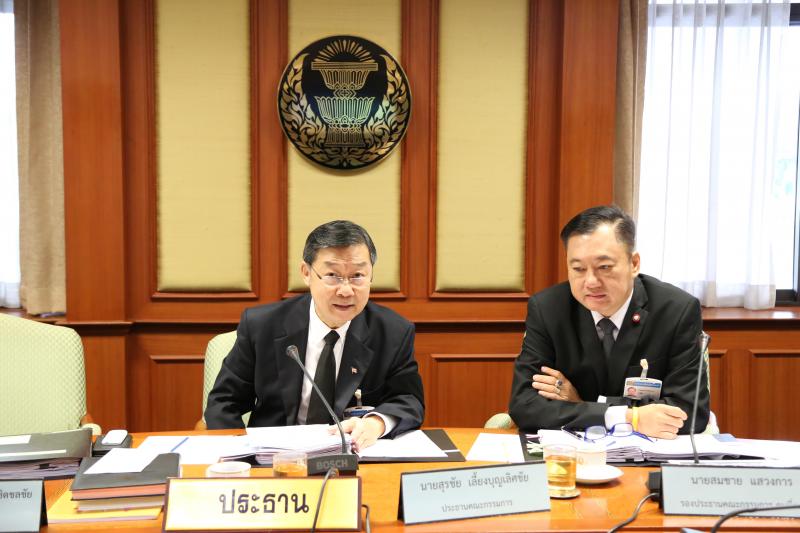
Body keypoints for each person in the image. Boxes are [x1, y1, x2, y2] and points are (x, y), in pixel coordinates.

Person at [204, 220, 425, 450]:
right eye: (332, 275)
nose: (346, 290)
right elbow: (224, 402)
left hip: (354, 457)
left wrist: (376, 423)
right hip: (276, 459)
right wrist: (242, 454)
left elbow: (409, 400)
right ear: (306, 273)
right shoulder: (262, 326)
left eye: (358, 275)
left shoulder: (393, 332)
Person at [508, 205, 709, 439]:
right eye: (578, 269)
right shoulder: (548, 309)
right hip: (571, 453)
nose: (591, 282)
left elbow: (690, 412)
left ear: (634, 263)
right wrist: (628, 417)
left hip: (648, 452)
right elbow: (525, 406)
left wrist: (581, 404)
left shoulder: (676, 310)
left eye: (604, 267)